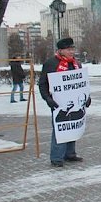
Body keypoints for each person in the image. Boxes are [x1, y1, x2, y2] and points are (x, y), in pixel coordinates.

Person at [39, 38, 91, 167]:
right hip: (58, 104)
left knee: (73, 126)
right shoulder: (51, 63)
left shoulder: (76, 64)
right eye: (69, 49)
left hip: (76, 104)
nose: (72, 51)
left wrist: (87, 97)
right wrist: (48, 99)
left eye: (72, 49)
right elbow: (42, 83)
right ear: (61, 50)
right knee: (60, 128)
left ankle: (70, 154)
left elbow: (81, 84)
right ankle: (56, 158)